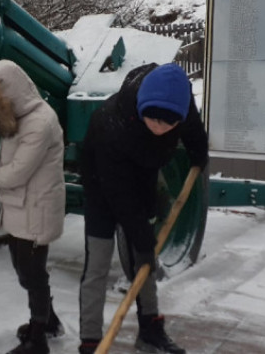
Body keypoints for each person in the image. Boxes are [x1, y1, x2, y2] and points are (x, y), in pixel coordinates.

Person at [78, 63, 208, 354]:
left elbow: (193, 128)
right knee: (98, 264)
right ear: (141, 109)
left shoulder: (179, 101)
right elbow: (119, 194)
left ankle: (150, 330)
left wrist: (199, 152)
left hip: (143, 176)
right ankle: (90, 342)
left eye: (168, 124)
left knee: (145, 260)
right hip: (102, 183)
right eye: (154, 120)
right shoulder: (110, 124)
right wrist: (141, 235)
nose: (160, 129)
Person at [0, 60, 66, 354]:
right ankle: (48, 321)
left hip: (36, 210)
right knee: (27, 271)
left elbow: (17, 173)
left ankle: (38, 338)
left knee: (32, 274)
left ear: (13, 91)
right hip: (21, 207)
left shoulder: (39, 122)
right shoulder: (19, 117)